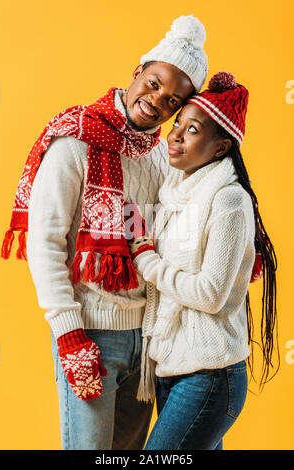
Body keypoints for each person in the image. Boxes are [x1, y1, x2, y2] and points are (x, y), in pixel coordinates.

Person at [0, 15, 208, 450]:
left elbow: (141, 236)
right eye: (154, 84)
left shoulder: (157, 157)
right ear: (138, 73)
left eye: (171, 101)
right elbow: (45, 243)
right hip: (91, 333)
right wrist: (69, 334)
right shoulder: (75, 140)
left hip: (146, 339)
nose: (156, 101)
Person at [129, 71, 279, 450]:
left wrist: (148, 261)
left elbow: (210, 294)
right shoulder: (174, 193)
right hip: (170, 368)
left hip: (209, 376)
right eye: (177, 123)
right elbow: (142, 235)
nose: (175, 134)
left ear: (220, 148)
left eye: (192, 130)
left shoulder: (229, 201)